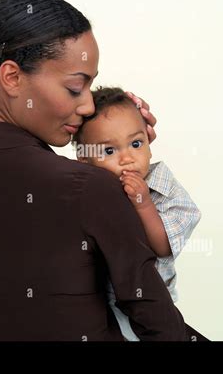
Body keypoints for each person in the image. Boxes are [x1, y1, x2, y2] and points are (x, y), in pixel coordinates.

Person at [0, 0, 205, 340]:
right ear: (12, 77)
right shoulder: (89, 188)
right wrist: (126, 153)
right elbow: (162, 327)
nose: (89, 105)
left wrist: (114, 133)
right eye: (76, 88)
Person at [72, 86, 202, 341]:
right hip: (98, 304)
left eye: (136, 143)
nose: (127, 158)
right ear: (84, 160)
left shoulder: (163, 188)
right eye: (109, 151)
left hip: (149, 306)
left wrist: (142, 203)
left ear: (149, 143)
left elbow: (163, 246)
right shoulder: (86, 190)